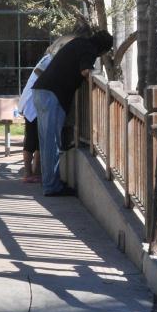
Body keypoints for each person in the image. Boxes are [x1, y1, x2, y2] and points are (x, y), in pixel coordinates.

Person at [31, 30, 113, 196]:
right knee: (51, 142)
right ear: (103, 49)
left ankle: (50, 182)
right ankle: (52, 187)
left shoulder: (77, 43)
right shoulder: (89, 49)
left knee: (46, 141)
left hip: (40, 91)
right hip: (52, 94)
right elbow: (85, 71)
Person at [14, 37, 71, 184]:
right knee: (31, 140)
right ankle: (28, 172)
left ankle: (36, 171)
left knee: (40, 140)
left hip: (37, 103)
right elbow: (40, 73)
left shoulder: (51, 60)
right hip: (33, 104)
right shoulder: (49, 60)